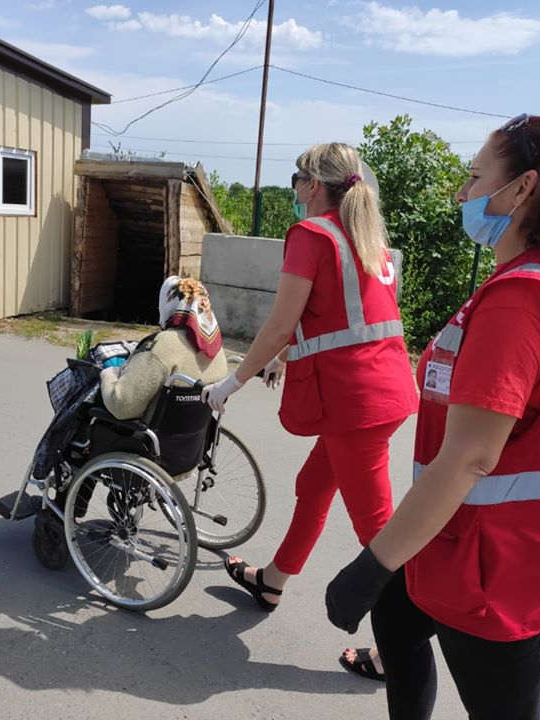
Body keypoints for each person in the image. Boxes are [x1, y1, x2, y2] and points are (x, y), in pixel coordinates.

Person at [324, 104, 540, 719]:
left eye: (476, 177)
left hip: (489, 564)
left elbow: (470, 457)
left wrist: (370, 562)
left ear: (522, 188)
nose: (463, 191)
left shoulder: (521, 298)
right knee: (397, 619)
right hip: (512, 539)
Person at [201, 143, 418, 680]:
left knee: (381, 535)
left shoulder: (312, 235)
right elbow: (343, 321)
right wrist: (284, 355)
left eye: (296, 179)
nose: (294, 190)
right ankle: (273, 580)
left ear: (314, 185)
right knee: (314, 485)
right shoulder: (368, 240)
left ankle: (401, 649)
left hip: (353, 404)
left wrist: (231, 381)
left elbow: (280, 320)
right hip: (382, 391)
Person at [100, 276, 227, 420]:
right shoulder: (216, 347)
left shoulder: (164, 344)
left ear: (168, 304)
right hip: (195, 436)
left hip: (148, 435)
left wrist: (108, 374)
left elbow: (122, 406)